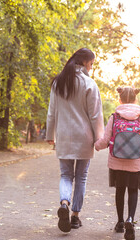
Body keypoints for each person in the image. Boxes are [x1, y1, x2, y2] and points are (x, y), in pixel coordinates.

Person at [46, 48, 104, 233]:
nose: (92, 67)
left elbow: (51, 112)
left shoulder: (58, 83)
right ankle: (75, 217)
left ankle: (64, 203)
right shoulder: (89, 84)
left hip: (63, 136)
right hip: (84, 137)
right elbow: (95, 115)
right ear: (86, 63)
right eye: (92, 64)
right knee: (81, 177)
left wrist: (50, 135)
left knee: (65, 175)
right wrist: (99, 139)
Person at [94, 86, 140, 240]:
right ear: (135, 100)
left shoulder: (115, 117)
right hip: (135, 162)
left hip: (116, 160)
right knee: (133, 190)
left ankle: (120, 222)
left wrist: (96, 145)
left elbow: (106, 139)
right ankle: (130, 220)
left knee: (120, 190)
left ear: (120, 100)